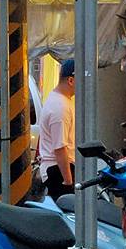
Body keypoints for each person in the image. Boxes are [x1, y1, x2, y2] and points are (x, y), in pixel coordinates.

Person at [39, 59, 75, 201]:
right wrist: (68, 180)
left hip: (58, 168)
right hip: (57, 170)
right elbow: (60, 147)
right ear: (71, 80)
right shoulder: (59, 107)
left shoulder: (59, 100)